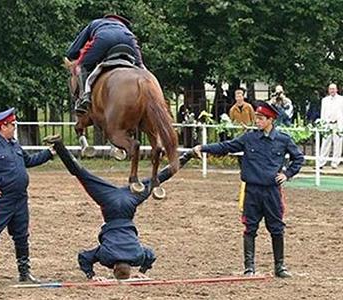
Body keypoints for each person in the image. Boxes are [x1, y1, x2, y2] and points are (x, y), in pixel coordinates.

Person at [43, 135, 193, 280]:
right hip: (109, 203)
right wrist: (91, 276)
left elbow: (151, 255)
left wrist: (142, 270)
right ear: (114, 268)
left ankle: (187, 155)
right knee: (82, 174)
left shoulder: (138, 256)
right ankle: (59, 144)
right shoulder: (106, 257)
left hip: (130, 202)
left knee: (157, 179)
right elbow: (84, 257)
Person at [193, 101, 304, 278]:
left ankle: (280, 266)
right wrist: (203, 148)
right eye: (257, 118)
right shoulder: (249, 138)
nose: (257, 121)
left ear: (270, 120)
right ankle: (249, 267)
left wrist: (287, 174)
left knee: (276, 228)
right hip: (251, 191)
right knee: (249, 228)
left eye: (261, 118)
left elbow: (298, 158)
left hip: (272, 192)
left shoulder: (283, 139)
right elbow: (226, 147)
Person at [0, 108, 56, 284]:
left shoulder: (14, 144)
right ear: (3, 126)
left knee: (21, 236)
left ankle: (24, 273)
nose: (14, 127)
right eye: (12, 124)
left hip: (20, 199)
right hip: (2, 200)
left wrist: (48, 153)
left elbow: (28, 161)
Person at [66, 14, 144, 114]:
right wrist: (139, 63)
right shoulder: (125, 28)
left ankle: (84, 97)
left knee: (83, 65)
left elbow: (74, 50)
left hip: (104, 38)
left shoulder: (96, 23)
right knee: (141, 68)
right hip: (128, 39)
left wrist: (71, 55)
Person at [318, 83, 343, 169]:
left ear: (337, 90)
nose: (332, 90)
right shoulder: (324, 100)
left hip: (338, 124)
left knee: (338, 144)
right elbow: (322, 113)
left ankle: (335, 163)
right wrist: (322, 124)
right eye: (330, 89)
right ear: (328, 90)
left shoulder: (341, 99)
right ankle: (321, 162)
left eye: (333, 89)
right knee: (325, 143)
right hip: (328, 124)